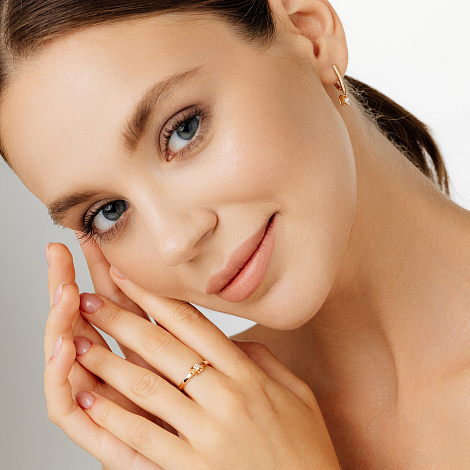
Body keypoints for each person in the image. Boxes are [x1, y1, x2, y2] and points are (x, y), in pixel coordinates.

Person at [0, 0, 469, 468]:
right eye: (108, 213)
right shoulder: (204, 444)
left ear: (309, 33)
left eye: (183, 130)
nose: (174, 241)